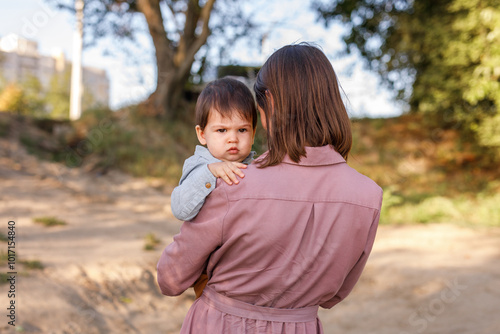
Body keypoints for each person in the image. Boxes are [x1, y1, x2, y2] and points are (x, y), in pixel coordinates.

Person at [157, 43, 383, 333]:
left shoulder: (233, 182)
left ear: (271, 103)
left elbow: (170, 278)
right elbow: (336, 295)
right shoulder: (367, 196)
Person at [170, 77, 257, 297]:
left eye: (242, 130)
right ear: (202, 134)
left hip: (246, 268)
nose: (233, 139)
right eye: (221, 131)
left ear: (254, 133)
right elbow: (180, 208)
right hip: (211, 274)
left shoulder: (255, 168)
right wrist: (210, 172)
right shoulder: (198, 166)